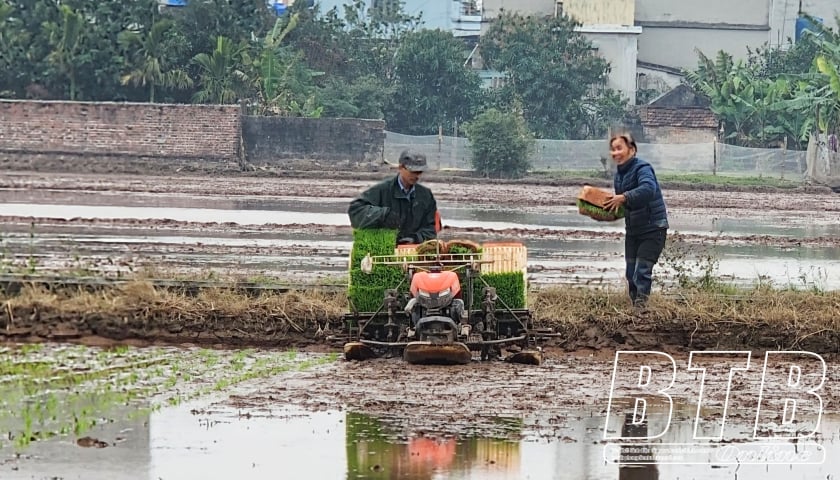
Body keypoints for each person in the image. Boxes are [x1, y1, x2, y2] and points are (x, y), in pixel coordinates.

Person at [602, 133, 669, 307]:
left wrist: (623, 197)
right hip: (633, 230)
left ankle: (642, 312)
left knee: (642, 271)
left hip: (653, 228)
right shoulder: (619, 176)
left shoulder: (643, 168)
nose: (615, 153)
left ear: (632, 150)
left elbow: (648, 189)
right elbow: (626, 204)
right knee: (631, 273)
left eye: (619, 148)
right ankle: (635, 310)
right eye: (613, 149)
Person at [348, 150, 438, 245]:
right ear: (400, 167)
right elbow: (355, 210)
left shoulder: (426, 195)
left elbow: (430, 228)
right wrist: (383, 214)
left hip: (412, 251)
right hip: (383, 248)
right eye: (413, 171)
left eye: (419, 172)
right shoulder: (382, 190)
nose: (416, 176)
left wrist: (416, 238)